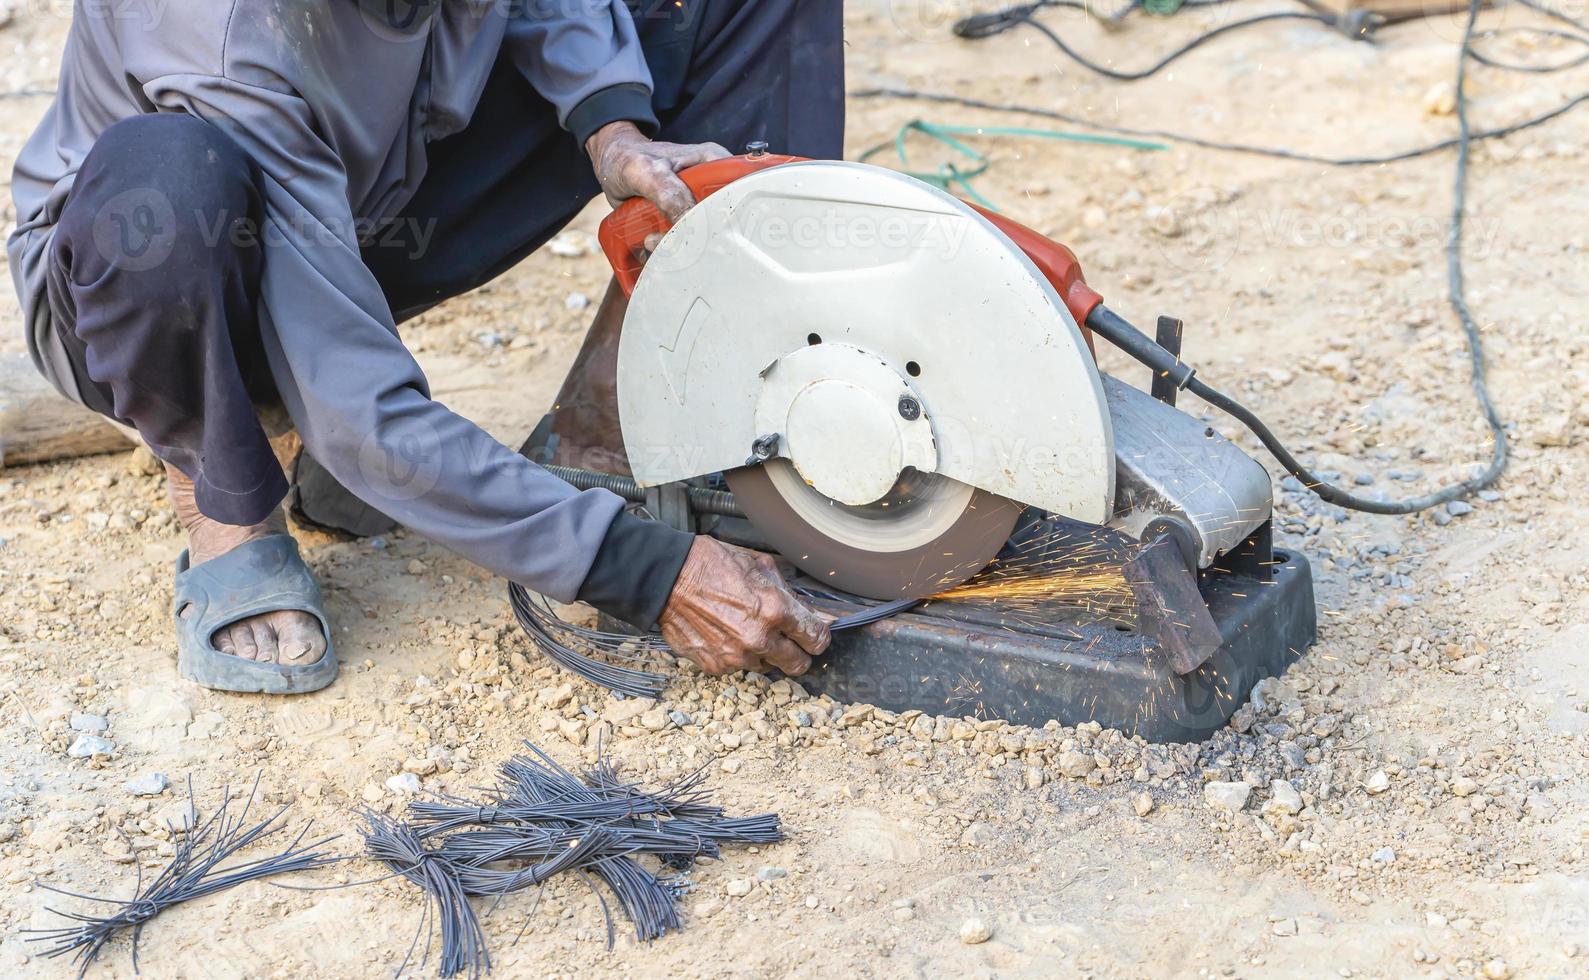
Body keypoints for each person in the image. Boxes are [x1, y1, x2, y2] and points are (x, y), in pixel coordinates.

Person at [7, 0, 842, 694]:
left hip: (371, 200)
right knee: (172, 181)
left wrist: (610, 127)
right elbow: (362, 419)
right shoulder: (215, 34)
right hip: (157, 273)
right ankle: (220, 480)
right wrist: (641, 571)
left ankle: (622, 426)